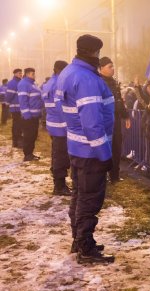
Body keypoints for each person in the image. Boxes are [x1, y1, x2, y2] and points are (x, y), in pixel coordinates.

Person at [55, 34, 115, 264]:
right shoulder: (87, 78)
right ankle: (86, 248)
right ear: (94, 53)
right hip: (91, 151)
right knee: (90, 199)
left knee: (79, 196)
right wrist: (104, 154)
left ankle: (78, 240)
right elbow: (92, 121)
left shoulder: (69, 72)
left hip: (77, 147)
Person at [99, 56, 130, 183]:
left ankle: (114, 175)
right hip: (104, 120)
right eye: (109, 67)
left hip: (115, 120)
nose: (113, 69)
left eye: (113, 66)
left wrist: (125, 115)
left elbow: (119, 101)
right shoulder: (99, 82)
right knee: (104, 147)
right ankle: (102, 174)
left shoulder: (114, 82)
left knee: (116, 147)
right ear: (101, 68)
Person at [42, 60, 71, 195]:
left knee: (56, 154)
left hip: (53, 124)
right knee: (61, 156)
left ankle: (58, 183)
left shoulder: (49, 83)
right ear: (61, 70)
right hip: (60, 125)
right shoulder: (59, 83)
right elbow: (61, 107)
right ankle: (59, 186)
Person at [18, 68, 44, 161]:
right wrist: (27, 114)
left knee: (33, 135)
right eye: (33, 74)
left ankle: (30, 153)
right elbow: (23, 101)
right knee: (29, 136)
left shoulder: (32, 84)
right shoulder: (24, 84)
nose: (34, 75)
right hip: (29, 116)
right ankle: (27, 155)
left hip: (35, 115)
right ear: (27, 74)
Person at [5, 69, 23, 148]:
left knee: (18, 125)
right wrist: (7, 103)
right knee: (17, 125)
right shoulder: (12, 83)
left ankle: (16, 142)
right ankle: (17, 142)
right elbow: (9, 95)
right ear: (15, 74)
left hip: (20, 107)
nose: (21, 74)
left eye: (21, 73)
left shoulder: (20, 82)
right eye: (19, 73)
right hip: (15, 108)